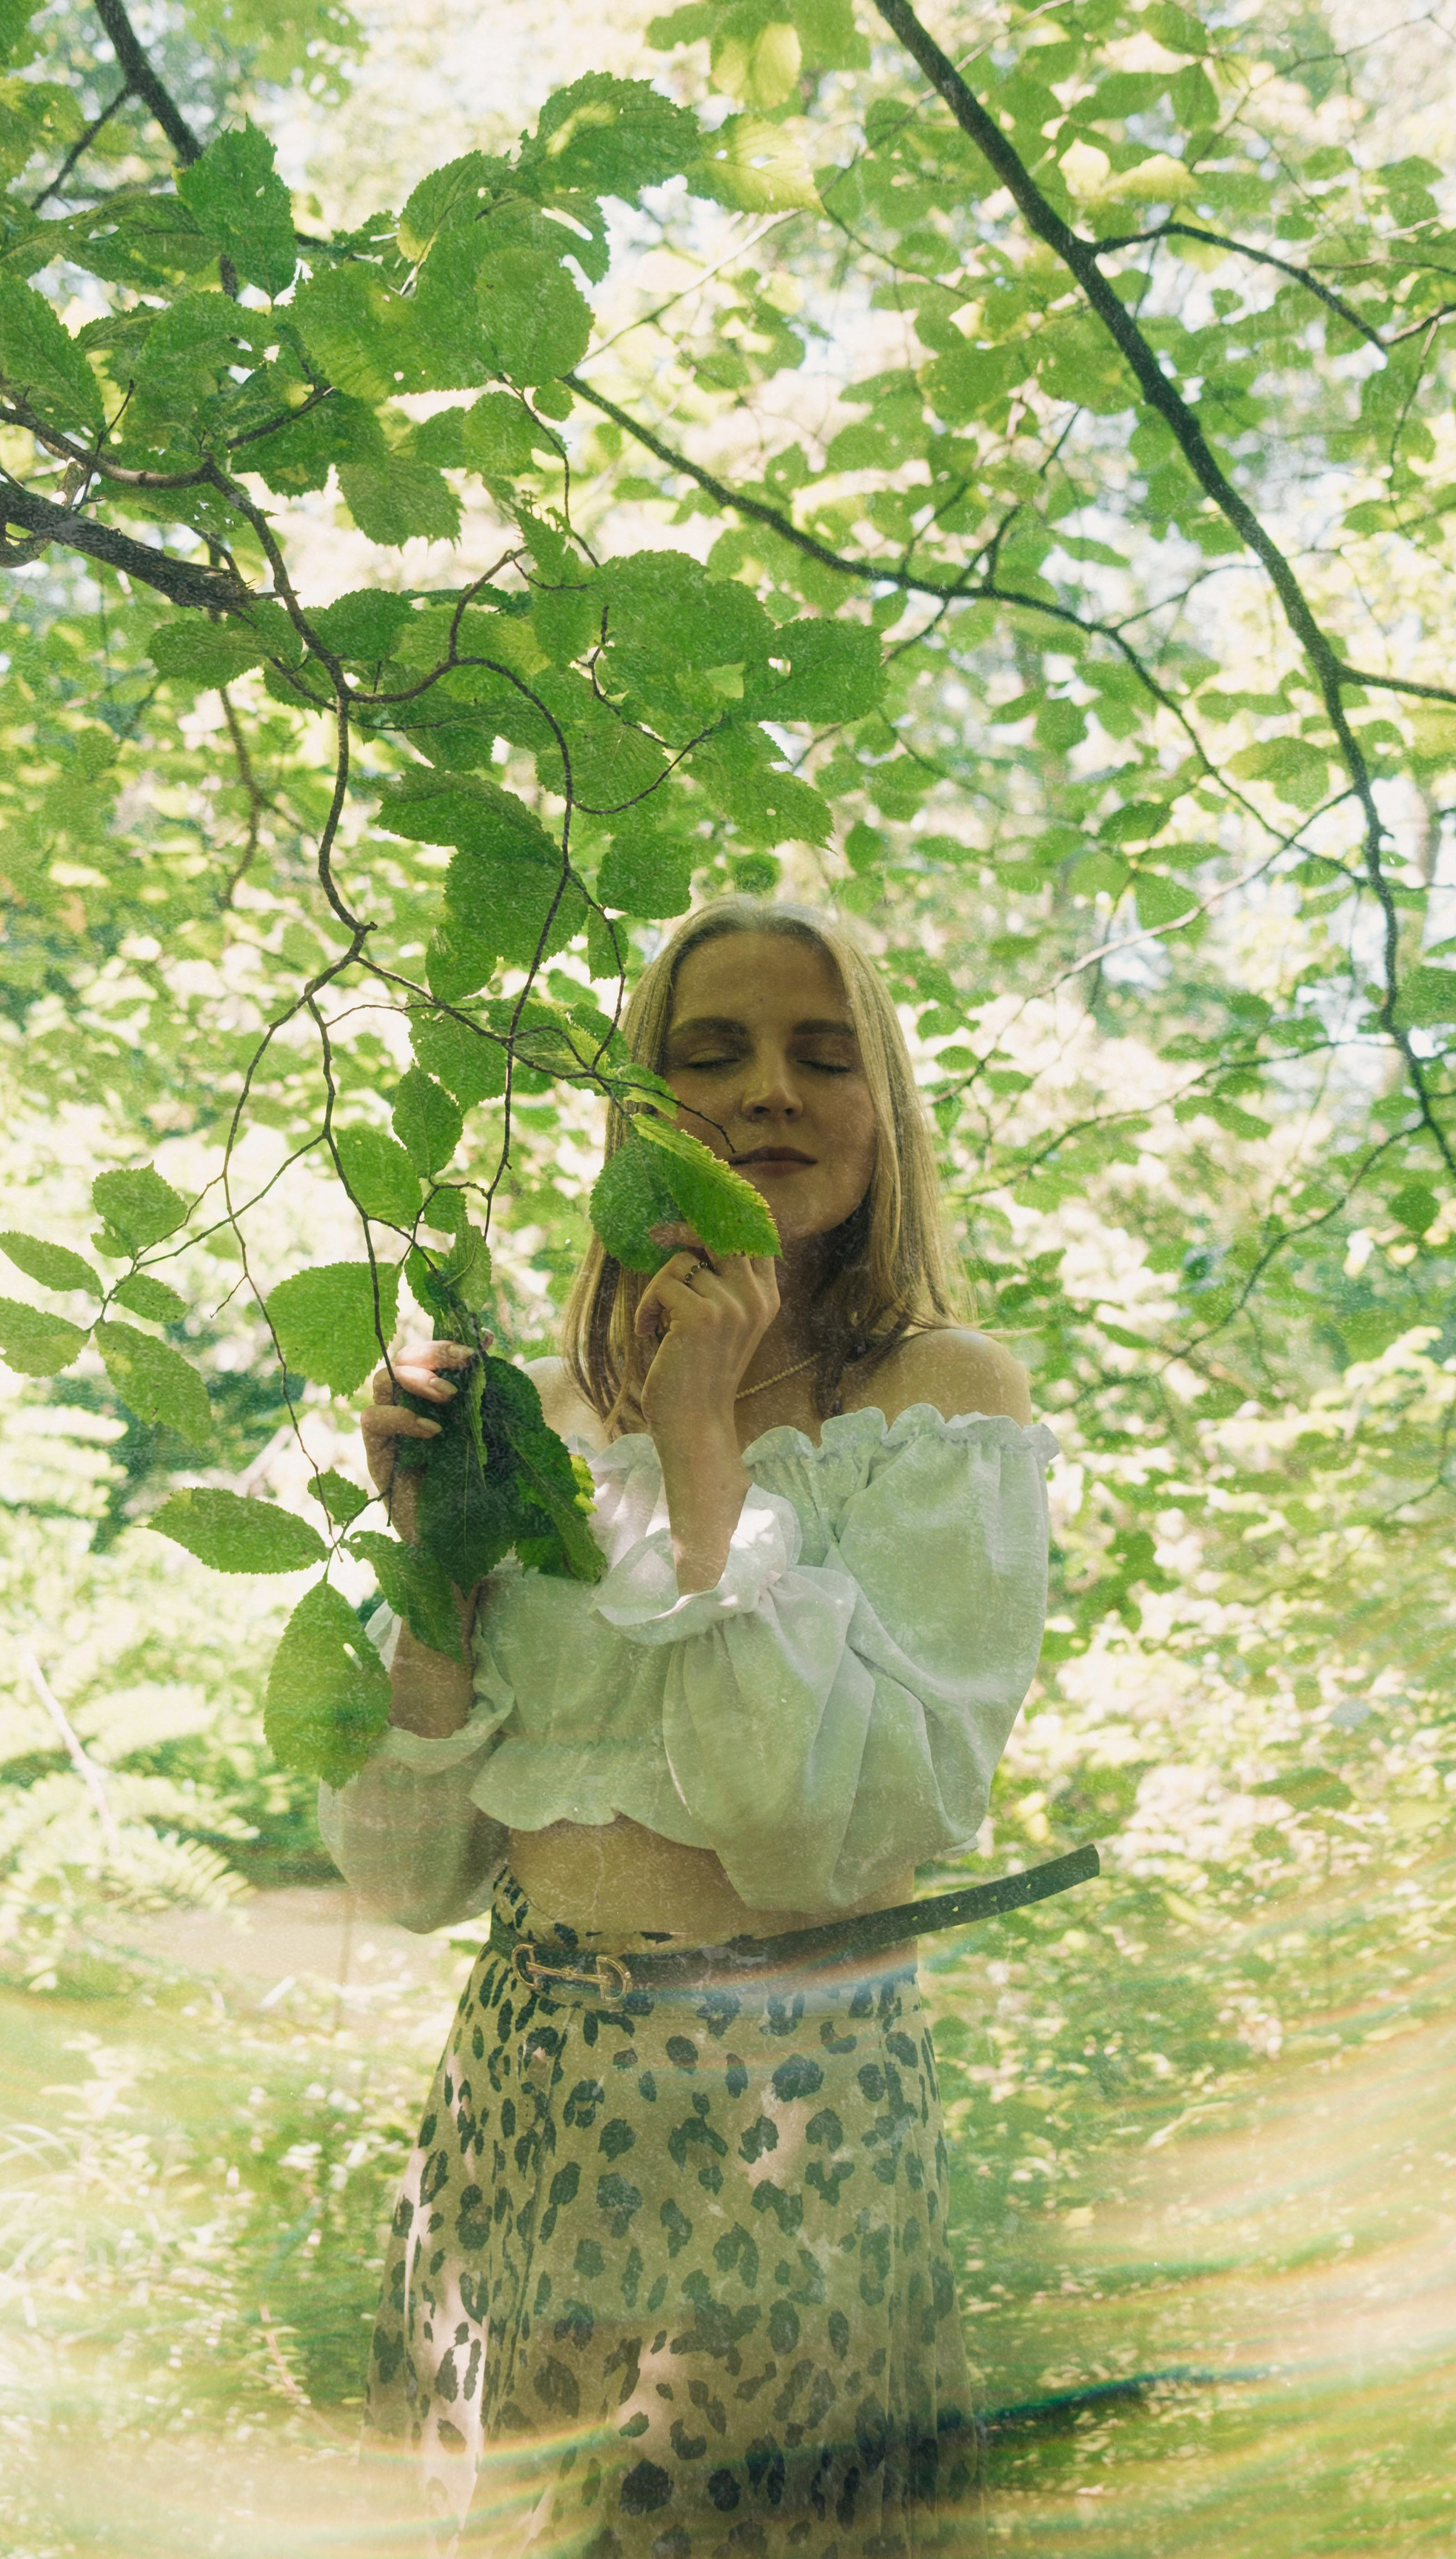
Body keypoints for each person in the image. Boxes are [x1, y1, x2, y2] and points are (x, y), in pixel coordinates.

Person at [319, 897, 1056, 2554]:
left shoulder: (941, 1404)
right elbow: (408, 1870)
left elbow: (815, 1838)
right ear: (639, 1115)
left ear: (884, 1109)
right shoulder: (545, 1412)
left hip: (782, 2108)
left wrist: (706, 1440)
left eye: (821, 1052)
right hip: (516, 2090)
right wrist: (432, 1555)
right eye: (707, 1054)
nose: (768, 1094)